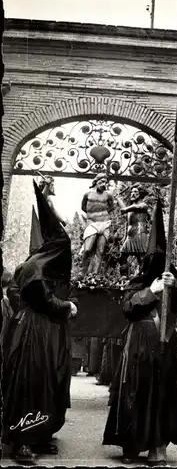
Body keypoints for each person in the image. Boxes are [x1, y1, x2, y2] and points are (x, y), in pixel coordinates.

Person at [102, 198, 177, 465]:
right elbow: (128, 308)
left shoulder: (174, 280)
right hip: (139, 347)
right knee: (135, 393)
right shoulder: (137, 282)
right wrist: (151, 292)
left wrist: (175, 287)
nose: (153, 262)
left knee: (163, 395)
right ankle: (131, 444)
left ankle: (158, 446)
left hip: (165, 346)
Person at [1, 181, 77, 463]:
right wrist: (67, 306)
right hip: (35, 332)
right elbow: (43, 300)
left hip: (49, 331)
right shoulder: (34, 267)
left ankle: (41, 434)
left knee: (51, 381)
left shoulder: (40, 264)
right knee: (33, 382)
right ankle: (23, 441)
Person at [81, 173, 114, 274]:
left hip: (104, 223)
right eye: (102, 181)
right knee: (87, 249)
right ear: (96, 181)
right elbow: (83, 207)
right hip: (92, 223)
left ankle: (94, 276)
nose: (104, 184)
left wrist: (102, 214)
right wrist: (92, 216)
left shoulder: (108, 195)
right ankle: (82, 274)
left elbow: (111, 207)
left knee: (100, 251)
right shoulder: (87, 193)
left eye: (105, 182)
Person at [116, 184, 149, 274]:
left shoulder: (143, 205)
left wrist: (126, 209)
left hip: (140, 233)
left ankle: (143, 277)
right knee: (122, 256)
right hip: (130, 236)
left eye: (135, 192)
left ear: (140, 194)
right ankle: (124, 278)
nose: (132, 194)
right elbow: (124, 209)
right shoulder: (130, 207)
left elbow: (136, 207)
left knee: (141, 257)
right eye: (131, 192)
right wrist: (118, 199)